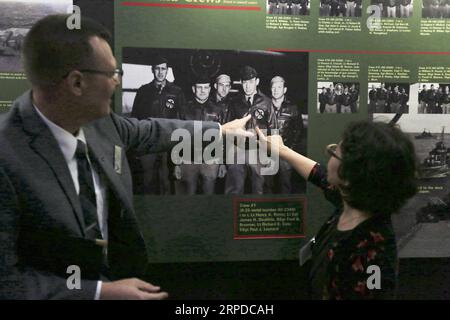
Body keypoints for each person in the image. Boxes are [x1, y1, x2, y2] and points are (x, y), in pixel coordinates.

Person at [0, 14, 251, 300]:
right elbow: (6, 281)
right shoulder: (6, 158)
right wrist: (98, 293)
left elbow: (152, 131)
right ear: (77, 83)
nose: (117, 82)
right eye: (111, 74)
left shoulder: (102, 124)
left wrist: (219, 130)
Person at [256, 120, 417, 300]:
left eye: (334, 153)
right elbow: (320, 175)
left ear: (350, 176)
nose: (329, 156)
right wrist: (283, 151)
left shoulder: (372, 250)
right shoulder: (355, 200)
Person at [130, 57, 185, 195]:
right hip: (148, 143)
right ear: (152, 70)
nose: (161, 72)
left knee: (166, 182)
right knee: (147, 181)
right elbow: (135, 118)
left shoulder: (176, 92)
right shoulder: (143, 91)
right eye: (158, 68)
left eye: (164, 69)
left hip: (168, 144)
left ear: (167, 70)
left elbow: (182, 120)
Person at [225, 66, 275, 194]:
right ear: (241, 83)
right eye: (245, 82)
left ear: (257, 81)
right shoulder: (234, 102)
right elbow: (227, 129)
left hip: (258, 151)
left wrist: (271, 156)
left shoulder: (266, 102)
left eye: (251, 82)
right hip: (237, 151)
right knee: (234, 189)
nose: (247, 86)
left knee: (258, 190)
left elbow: (273, 129)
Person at [174, 75, 225, 195]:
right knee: (187, 198)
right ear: (193, 89)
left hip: (211, 162)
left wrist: (222, 163)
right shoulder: (183, 109)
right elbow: (176, 138)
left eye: (205, 87)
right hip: (188, 161)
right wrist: (176, 163)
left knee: (208, 198)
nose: (202, 91)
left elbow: (223, 137)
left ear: (209, 89)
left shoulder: (218, 110)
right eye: (199, 87)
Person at [265, 76, 304, 194]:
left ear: (284, 89)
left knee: (285, 185)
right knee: (266, 185)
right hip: (267, 152)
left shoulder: (293, 108)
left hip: (285, 152)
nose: (276, 90)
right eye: (273, 87)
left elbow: (298, 131)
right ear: (270, 89)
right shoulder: (263, 106)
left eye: (279, 87)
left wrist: (289, 150)